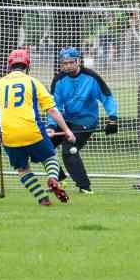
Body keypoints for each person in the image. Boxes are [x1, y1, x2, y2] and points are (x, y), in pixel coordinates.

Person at [0, 48, 76, 206]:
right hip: (33, 131)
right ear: (27, 65)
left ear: (9, 66)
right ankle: (52, 178)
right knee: (49, 157)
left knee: (23, 169)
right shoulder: (33, 82)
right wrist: (66, 130)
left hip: (9, 135)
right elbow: (51, 109)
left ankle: (42, 199)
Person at [47, 47, 118, 194]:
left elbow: (107, 97)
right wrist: (52, 126)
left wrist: (112, 118)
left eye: (71, 62)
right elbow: (54, 105)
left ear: (78, 61)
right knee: (43, 146)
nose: (67, 66)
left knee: (69, 149)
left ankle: (84, 186)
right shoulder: (59, 80)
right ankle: (59, 180)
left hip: (86, 121)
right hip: (66, 120)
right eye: (64, 63)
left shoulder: (91, 77)